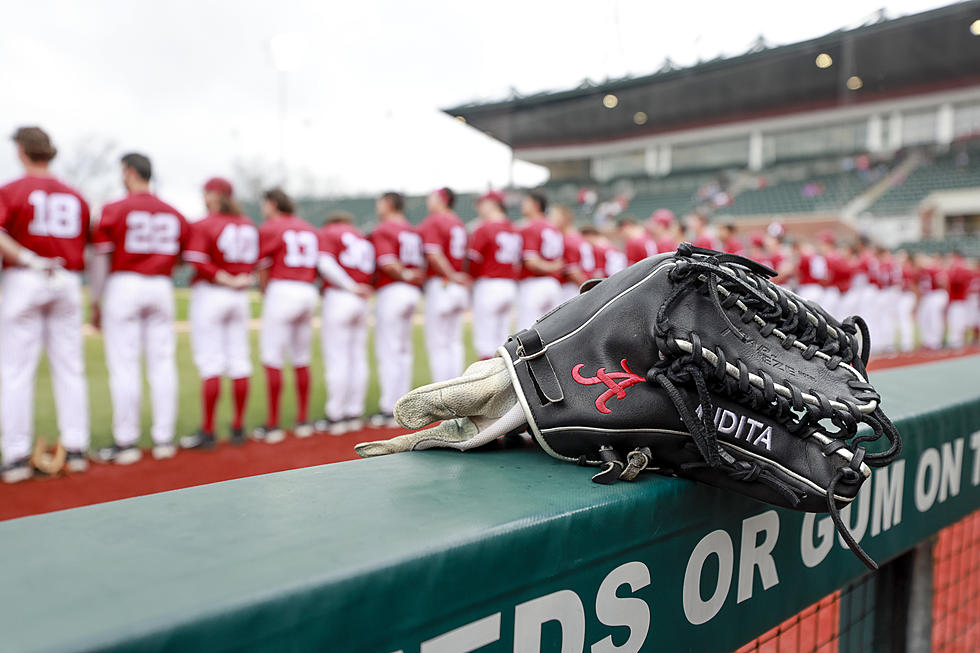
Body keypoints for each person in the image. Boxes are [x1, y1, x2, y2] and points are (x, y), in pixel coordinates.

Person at [0, 127, 90, 482]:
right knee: (70, 367)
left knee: (17, 370)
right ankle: (77, 448)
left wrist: (26, 257)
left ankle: (17, 456)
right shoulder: (76, 194)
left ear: (22, 150)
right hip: (66, 279)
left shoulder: (12, 189)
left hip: (26, 277)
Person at [89, 153, 188, 464]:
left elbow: (101, 257)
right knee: (162, 363)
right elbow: (183, 257)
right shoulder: (174, 211)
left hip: (125, 283)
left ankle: (127, 441)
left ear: (130, 172)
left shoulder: (115, 207)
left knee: (124, 365)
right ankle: (163, 439)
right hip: (160, 285)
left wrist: (96, 299)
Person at [180, 178, 256, 450]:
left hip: (212, 293)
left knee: (211, 361)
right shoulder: (246, 223)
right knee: (239, 361)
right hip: (239, 296)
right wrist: (239, 279)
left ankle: (209, 431)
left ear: (214, 195)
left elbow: (197, 260)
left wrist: (224, 278)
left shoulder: (205, 223)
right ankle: (237, 427)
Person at [253, 188, 320, 442]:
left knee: (273, 357)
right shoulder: (308, 228)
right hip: (307, 290)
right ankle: (302, 420)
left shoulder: (272, 226)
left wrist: (263, 291)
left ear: (271, 203)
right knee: (301, 357)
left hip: (282, 288)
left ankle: (273, 424)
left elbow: (262, 265)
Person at [313, 212, 374, 435]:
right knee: (357, 356)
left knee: (337, 357)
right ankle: (354, 412)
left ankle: (336, 414)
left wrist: (349, 286)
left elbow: (325, 263)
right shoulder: (361, 236)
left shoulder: (330, 232)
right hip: (362, 299)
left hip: (341, 295)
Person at [370, 191, 424, 427]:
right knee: (403, 349)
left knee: (390, 349)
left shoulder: (384, 228)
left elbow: (387, 263)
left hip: (393, 290)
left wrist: (404, 274)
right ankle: (404, 403)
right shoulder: (412, 230)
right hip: (411, 291)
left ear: (389, 204)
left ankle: (389, 407)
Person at [418, 187, 469, 382]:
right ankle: (455, 390)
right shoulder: (458, 222)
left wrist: (452, 275)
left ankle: (441, 395)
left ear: (442, 199)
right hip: (457, 286)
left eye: (431, 197)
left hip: (443, 284)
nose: (428, 201)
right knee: (454, 342)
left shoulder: (435, 220)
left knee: (438, 344)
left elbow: (433, 254)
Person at [467, 191, 521, 359]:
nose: (479, 208)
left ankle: (486, 383)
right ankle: (506, 382)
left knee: (485, 341)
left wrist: (469, 278)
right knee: (502, 340)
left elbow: (473, 260)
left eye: (482, 203)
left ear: (492, 204)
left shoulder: (484, 227)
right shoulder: (514, 228)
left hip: (489, 284)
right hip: (509, 284)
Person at [517, 191, 564, 329]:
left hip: (534, 284)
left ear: (535, 205)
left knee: (526, 331)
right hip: (554, 284)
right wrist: (554, 267)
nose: (523, 205)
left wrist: (550, 267)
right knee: (551, 332)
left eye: (526, 202)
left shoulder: (531, 226)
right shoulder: (554, 227)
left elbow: (531, 262)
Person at [551, 204, 587, 303]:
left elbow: (573, 272)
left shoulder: (568, 240)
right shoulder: (577, 237)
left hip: (572, 288)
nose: (551, 220)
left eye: (554, 216)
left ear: (564, 218)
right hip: (577, 285)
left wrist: (589, 289)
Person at [946, 251, 973, 349]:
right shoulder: (964, 267)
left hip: (959, 299)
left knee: (957, 322)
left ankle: (957, 342)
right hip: (961, 299)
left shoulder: (959, 268)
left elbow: (957, 282)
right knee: (958, 321)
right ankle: (958, 341)